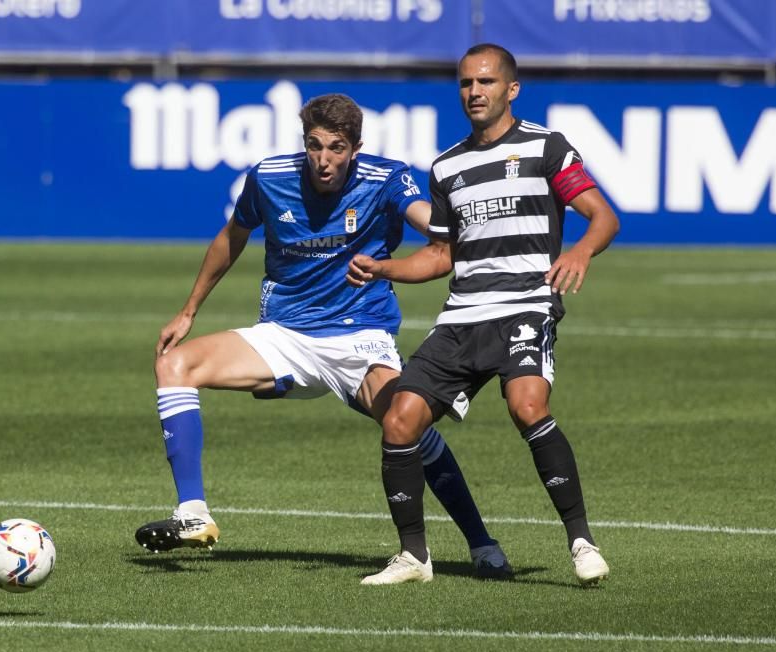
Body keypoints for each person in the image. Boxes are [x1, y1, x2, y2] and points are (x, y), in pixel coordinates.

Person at [134, 92, 513, 578]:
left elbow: (429, 223)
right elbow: (232, 236)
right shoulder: (269, 178)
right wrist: (188, 311)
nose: (323, 159)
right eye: (314, 145)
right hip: (284, 336)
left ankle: (480, 543)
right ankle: (193, 513)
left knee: (408, 424)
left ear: (355, 147)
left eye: (335, 148)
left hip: (361, 339)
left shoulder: (386, 178)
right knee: (174, 364)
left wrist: (471, 226)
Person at [348, 44, 620, 586]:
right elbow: (443, 256)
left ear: (511, 89)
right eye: (467, 83)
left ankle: (582, 541)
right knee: (400, 420)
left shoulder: (546, 148)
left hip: (525, 303)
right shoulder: (447, 166)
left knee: (526, 406)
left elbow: (602, 216)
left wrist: (581, 250)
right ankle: (413, 558)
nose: (475, 92)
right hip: (462, 315)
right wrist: (385, 269)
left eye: (487, 82)